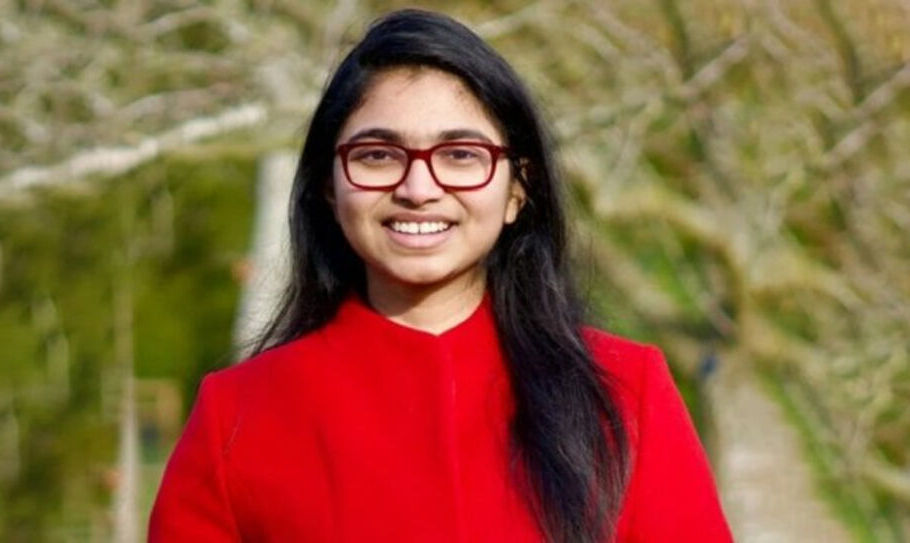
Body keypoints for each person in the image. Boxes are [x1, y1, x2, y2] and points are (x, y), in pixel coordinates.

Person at [149, 9, 732, 543]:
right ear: (329, 185)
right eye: (378, 155)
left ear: (518, 189)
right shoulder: (238, 416)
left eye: (461, 155)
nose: (418, 188)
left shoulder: (625, 394)